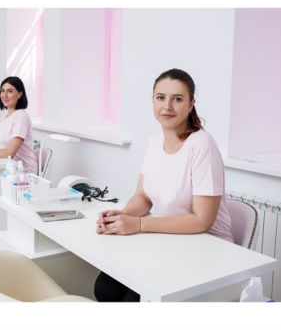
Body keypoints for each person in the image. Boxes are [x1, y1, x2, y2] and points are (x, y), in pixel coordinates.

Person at [94, 68, 234, 302]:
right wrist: (121, 217)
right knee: (105, 288)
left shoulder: (202, 146)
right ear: (153, 100)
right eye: (161, 98)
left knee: (134, 301)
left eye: (177, 99)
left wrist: (138, 224)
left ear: (190, 104)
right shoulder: (155, 138)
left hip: (206, 247)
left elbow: (202, 220)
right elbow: (143, 196)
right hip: (169, 239)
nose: (167, 106)